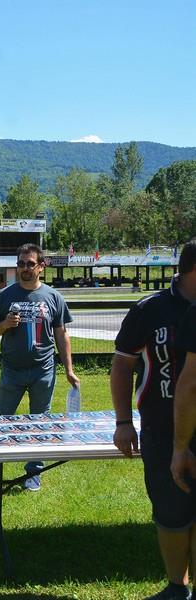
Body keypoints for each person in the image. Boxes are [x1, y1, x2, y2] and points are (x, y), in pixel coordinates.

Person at [117, 240, 196, 600]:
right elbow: (122, 364)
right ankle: (176, 587)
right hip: (162, 431)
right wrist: (123, 422)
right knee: (170, 513)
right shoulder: (150, 310)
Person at [0, 243, 79, 491]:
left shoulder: (53, 297)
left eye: (30, 264)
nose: (25, 268)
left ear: (41, 267)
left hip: (43, 370)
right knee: (0, 420)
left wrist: (69, 369)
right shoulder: (5, 296)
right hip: (12, 370)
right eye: (21, 263)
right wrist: (4, 324)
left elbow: (62, 335)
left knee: (40, 421)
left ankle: (33, 473)